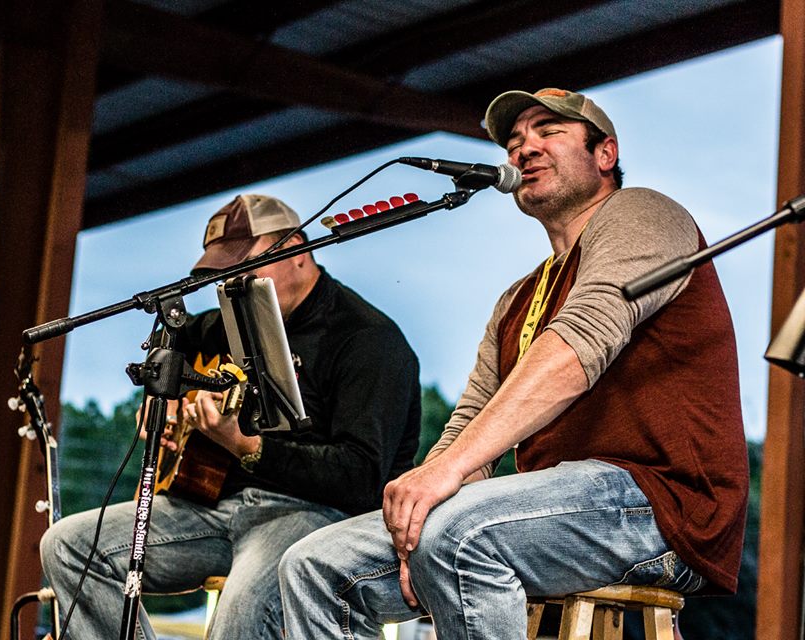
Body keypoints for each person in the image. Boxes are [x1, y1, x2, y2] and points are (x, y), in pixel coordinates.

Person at [279, 88, 749, 639]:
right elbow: (469, 425)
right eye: (513, 140)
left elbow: (579, 346)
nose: (523, 148)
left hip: (660, 503)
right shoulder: (516, 299)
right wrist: (418, 513)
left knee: (458, 532)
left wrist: (443, 487)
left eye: (548, 131)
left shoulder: (644, 212)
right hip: (551, 509)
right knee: (312, 567)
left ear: (605, 154)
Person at [41, 194, 422, 639]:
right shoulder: (234, 317)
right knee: (69, 546)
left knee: (242, 610)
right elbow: (178, 337)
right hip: (212, 507)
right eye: (227, 271)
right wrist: (161, 402)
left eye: (246, 265)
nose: (235, 281)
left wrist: (246, 447)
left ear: (296, 250)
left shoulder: (366, 340)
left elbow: (361, 478)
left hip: (313, 516)